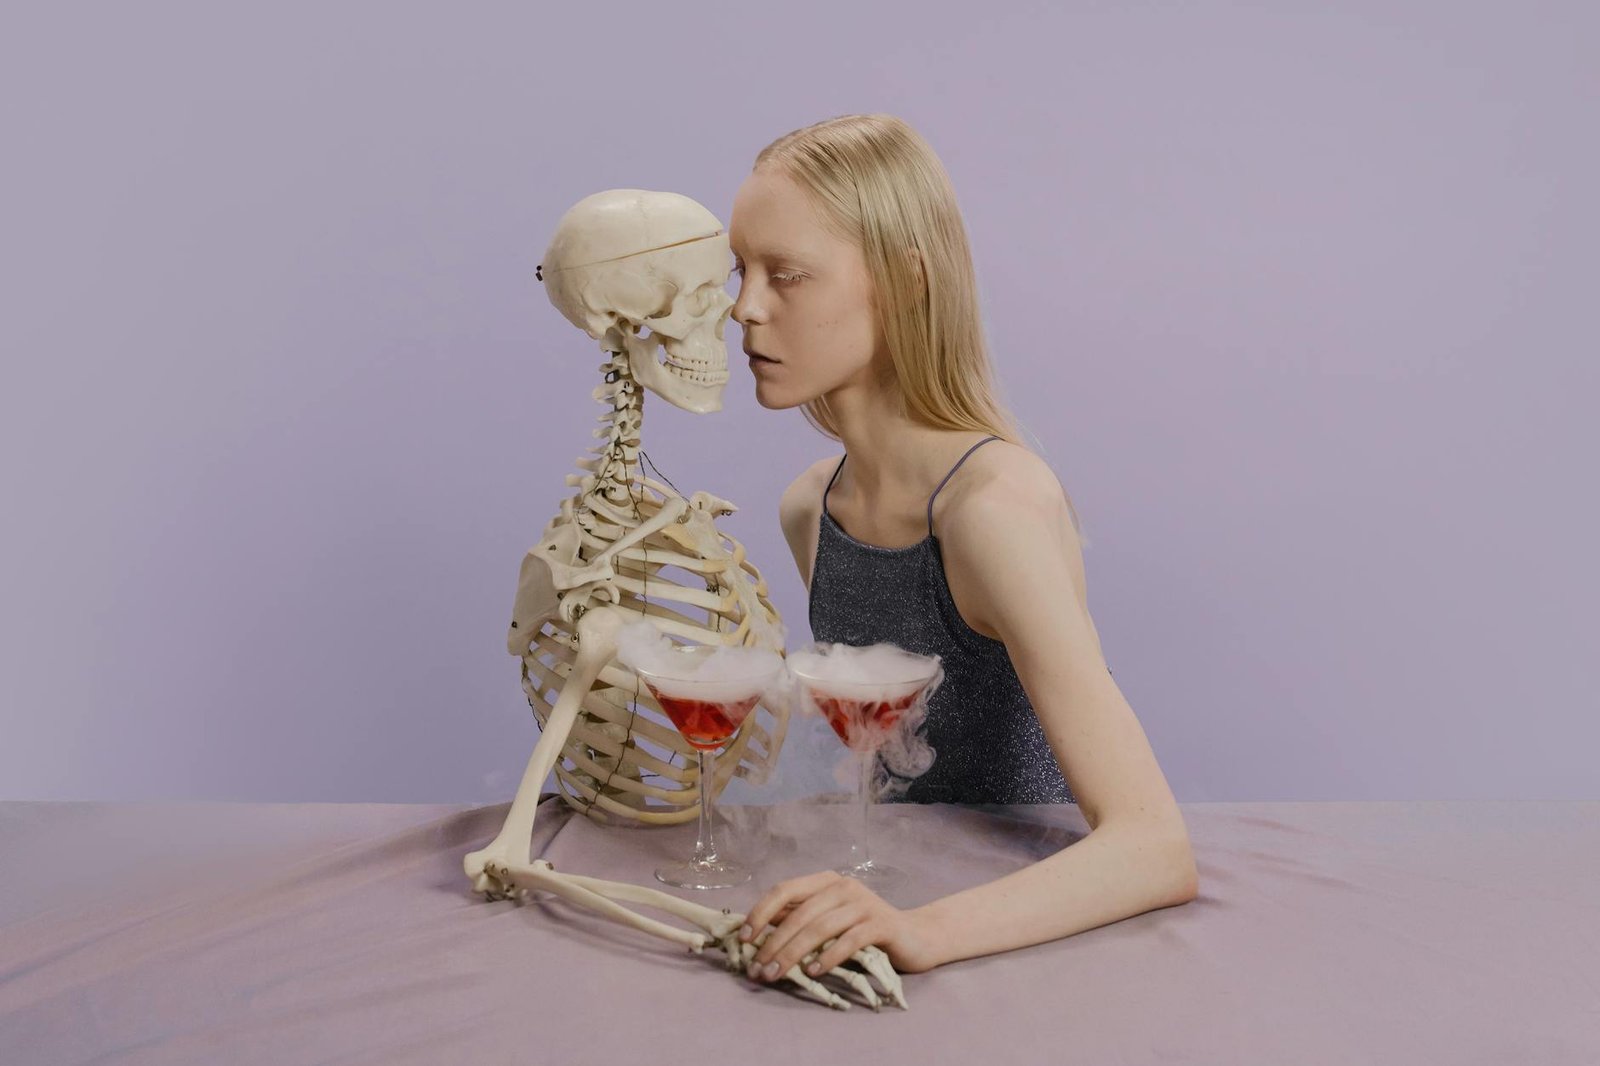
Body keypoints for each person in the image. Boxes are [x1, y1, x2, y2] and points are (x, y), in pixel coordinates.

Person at [726, 114, 1198, 983]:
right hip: (893, 892)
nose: (744, 307)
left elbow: (1156, 846)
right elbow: (883, 769)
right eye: (740, 271)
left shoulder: (994, 510)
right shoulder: (810, 509)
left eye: (786, 275)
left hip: (1022, 939)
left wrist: (920, 934)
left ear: (905, 282)